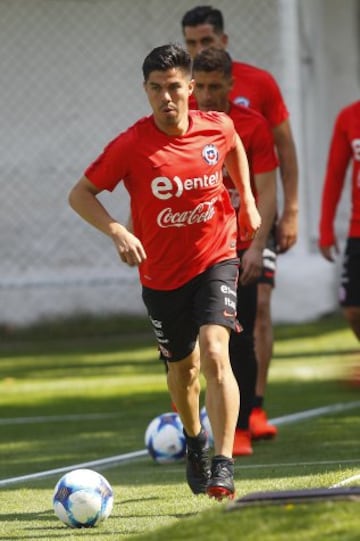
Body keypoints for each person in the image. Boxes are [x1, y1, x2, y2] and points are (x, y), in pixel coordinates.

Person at [68, 43, 260, 500]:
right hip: (161, 274)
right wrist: (117, 231)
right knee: (183, 371)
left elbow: (233, 146)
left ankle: (224, 464)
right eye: (156, 89)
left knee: (216, 352)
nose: (166, 98)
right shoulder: (130, 144)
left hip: (216, 255)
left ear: (190, 88)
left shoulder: (217, 125)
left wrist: (247, 199)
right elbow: (81, 194)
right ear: (146, 90)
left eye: (174, 87)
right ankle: (195, 439)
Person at [181, 5, 299, 436]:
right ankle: (212, 419)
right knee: (206, 334)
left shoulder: (257, 92)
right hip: (206, 235)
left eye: (206, 41)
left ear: (223, 42)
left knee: (256, 310)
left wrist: (291, 211)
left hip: (252, 225)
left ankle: (253, 409)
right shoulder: (181, 106)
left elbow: (283, 152)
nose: (199, 49)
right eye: (191, 43)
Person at [192, 47, 277, 455]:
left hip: (239, 246)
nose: (206, 95)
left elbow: (268, 190)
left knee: (240, 339)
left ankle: (240, 428)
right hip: (195, 248)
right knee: (191, 346)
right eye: (200, 87)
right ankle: (192, 425)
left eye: (214, 86)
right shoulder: (181, 122)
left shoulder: (252, 127)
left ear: (230, 84)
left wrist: (258, 246)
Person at [319, 100, 360, 356]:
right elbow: (335, 174)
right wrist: (326, 228)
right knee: (353, 310)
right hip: (357, 230)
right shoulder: (348, 117)